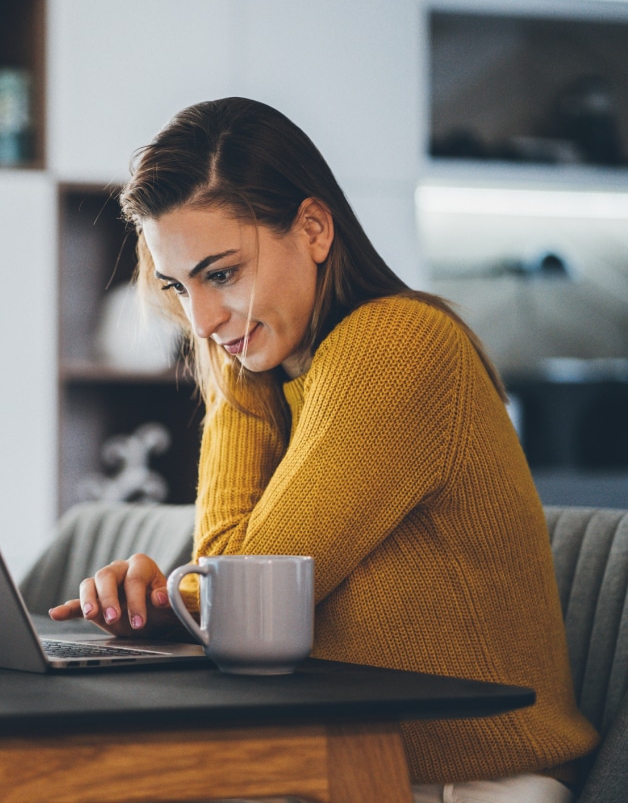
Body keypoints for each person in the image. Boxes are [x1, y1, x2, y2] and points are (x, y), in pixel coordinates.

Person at [48, 97, 599, 802]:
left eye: (221, 274)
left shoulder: (396, 343)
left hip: (475, 783)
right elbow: (225, 576)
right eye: (177, 287)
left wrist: (178, 599)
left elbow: (244, 604)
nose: (202, 319)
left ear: (313, 228)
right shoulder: (273, 370)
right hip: (345, 765)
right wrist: (241, 366)